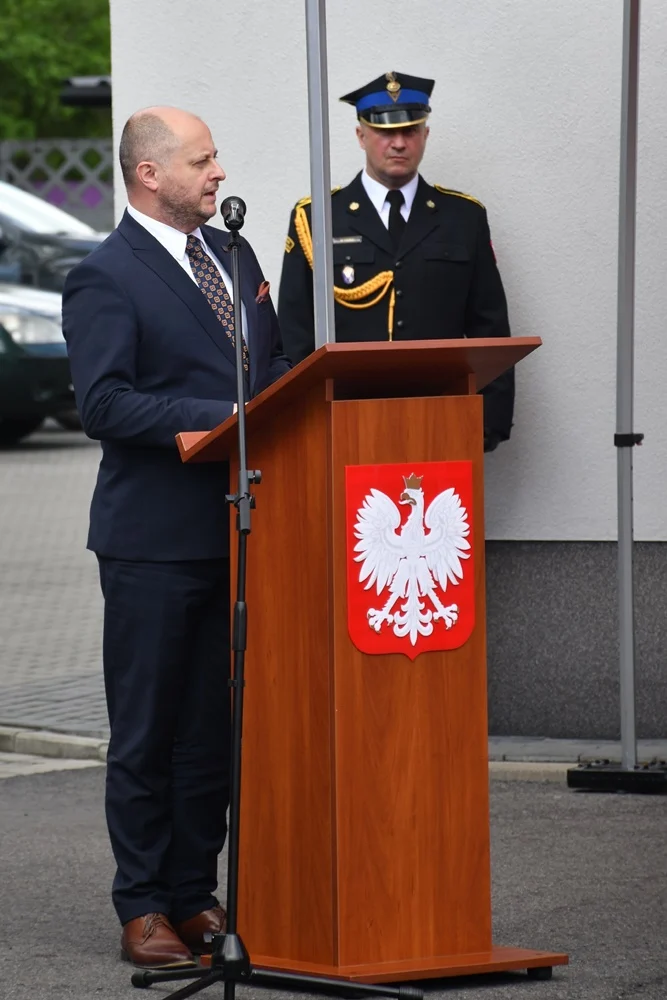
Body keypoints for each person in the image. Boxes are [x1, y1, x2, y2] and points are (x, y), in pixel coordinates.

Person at [62, 107, 290, 969]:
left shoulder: (234, 254)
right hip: (153, 541)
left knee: (212, 732)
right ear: (149, 173)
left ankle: (195, 893)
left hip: (241, 526)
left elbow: (270, 369)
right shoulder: (104, 276)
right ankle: (143, 904)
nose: (218, 172)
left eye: (215, 159)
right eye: (202, 161)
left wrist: (280, 402)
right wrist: (229, 415)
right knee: (148, 730)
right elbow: (105, 403)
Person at [278, 71, 513, 451]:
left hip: (443, 421)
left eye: (411, 131)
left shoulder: (463, 217)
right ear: (361, 136)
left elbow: (490, 327)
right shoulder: (318, 216)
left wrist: (487, 425)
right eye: (386, 132)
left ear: (426, 134)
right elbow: (295, 329)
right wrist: (302, 422)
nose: (399, 143)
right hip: (344, 423)